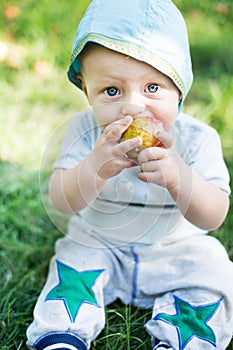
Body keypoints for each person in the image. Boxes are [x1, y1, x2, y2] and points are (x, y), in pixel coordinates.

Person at [26, 0, 233, 349]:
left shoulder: (199, 140)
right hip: (102, 244)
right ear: (86, 90)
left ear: (179, 88)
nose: (133, 105)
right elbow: (62, 200)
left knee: (214, 266)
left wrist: (178, 176)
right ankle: (62, 335)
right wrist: (94, 167)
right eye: (111, 91)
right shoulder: (85, 132)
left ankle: (184, 336)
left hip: (177, 251)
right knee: (73, 254)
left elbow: (213, 216)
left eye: (152, 88)